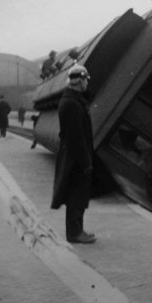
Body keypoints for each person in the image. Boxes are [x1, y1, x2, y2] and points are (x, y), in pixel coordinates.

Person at [51, 64, 96, 244]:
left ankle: (78, 230)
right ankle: (74, 233)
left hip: (74, 156)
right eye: (86, 80)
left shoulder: (73, 100)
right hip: (75, 158)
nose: (87, 84)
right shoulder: (71, 103)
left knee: (78, 194)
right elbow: (75, 136)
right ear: (80, 80)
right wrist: (85, 162)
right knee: (76, 195)